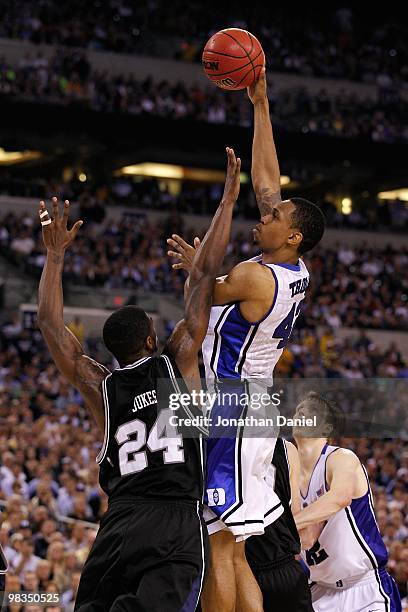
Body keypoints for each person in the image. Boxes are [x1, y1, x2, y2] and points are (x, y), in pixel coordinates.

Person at [37, 147, 242, 611]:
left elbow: (51, 326)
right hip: (174, 518)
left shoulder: (100, 386)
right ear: (152, 339)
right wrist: (228, 199)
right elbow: (206, 273)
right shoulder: (177, 360)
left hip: (120, 523)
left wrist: (54, 259)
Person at [168, 67, 325, 611]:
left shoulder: (256, 277)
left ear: (294, 235)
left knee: (217, 544)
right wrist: (259, 105)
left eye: (275, 216)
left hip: (233, 403)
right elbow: (268, 183)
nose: (267, 214)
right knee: (232, 548)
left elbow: (201, 293)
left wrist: (199, 262)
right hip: (253, 406)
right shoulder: (292, 269)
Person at [293, 391, 402, 612]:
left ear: (326, 429)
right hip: (319, 593)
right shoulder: (290, 473)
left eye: (310, 411)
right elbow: (304, 541)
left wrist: (286, 525)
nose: (300, 412)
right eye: (298, 410)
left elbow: (339, 498)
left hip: (365, 589)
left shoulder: (341, 458)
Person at [245, 439, 314, 611]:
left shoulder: (218, 441)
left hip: (240, 567)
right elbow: (302, 529)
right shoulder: (287, 449)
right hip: (283, 565)